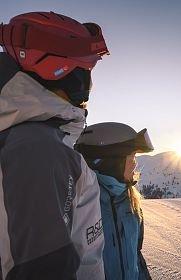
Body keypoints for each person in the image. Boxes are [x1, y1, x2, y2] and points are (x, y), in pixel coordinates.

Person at [0, 12, 109, 280]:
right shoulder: (39, 152)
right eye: (84, 74)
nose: (88, 87)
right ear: (61, 72)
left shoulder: (26, 140)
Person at [75, 122, 153, 280]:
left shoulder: (130, 201)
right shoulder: (82, 204)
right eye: (130, 156)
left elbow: (136, 256)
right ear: (109, 162)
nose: (134, 163)